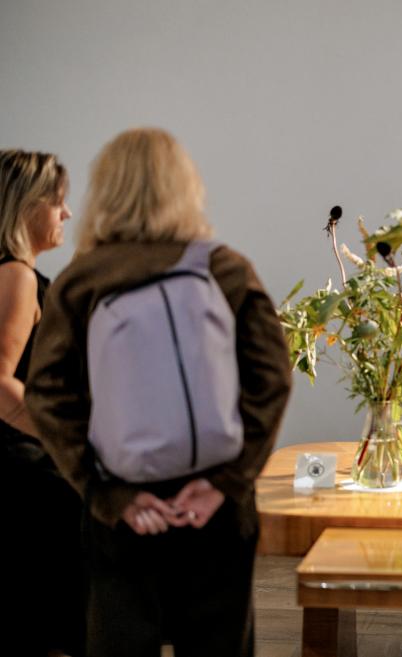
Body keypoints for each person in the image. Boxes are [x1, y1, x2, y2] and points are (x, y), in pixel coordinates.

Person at [24, 128, 292, 657]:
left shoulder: (81, 281)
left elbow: (48, 395)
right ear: (185, 187)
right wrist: (227, 482)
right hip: (215, 503)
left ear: (105, 191)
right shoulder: (224, 268)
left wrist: (108, 496)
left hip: (124, 503)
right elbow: (272, 379)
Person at [0, 149, 85, 656]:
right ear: (27, 206)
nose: (67, 213)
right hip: (21, 468)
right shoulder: (17, 276)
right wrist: (68, 442)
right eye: (57, 202)